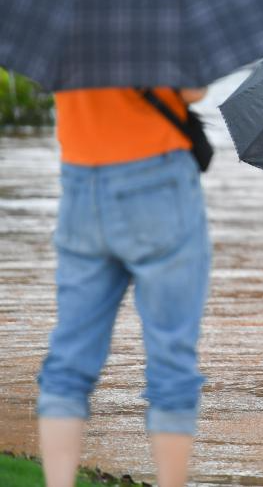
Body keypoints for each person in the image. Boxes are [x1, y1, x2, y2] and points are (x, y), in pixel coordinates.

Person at [38, 87, 210, 487]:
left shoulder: (65, 23)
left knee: (68, 360)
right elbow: (193, 90)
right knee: (171, 357)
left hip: (80, 175)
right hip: (157, 174)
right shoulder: (160, 20)